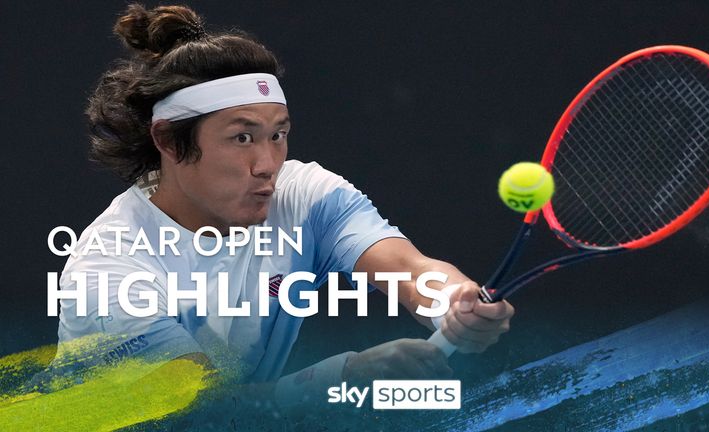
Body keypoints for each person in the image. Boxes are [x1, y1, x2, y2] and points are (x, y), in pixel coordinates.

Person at [54, 4, 514, 407]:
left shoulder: (303, 194)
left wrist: (452, 303)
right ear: (168, 141)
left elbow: (409, 270)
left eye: (278, 134)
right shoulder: (109, 276)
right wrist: (344, 379)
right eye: (242, 137)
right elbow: (202, 418)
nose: (267, 163)